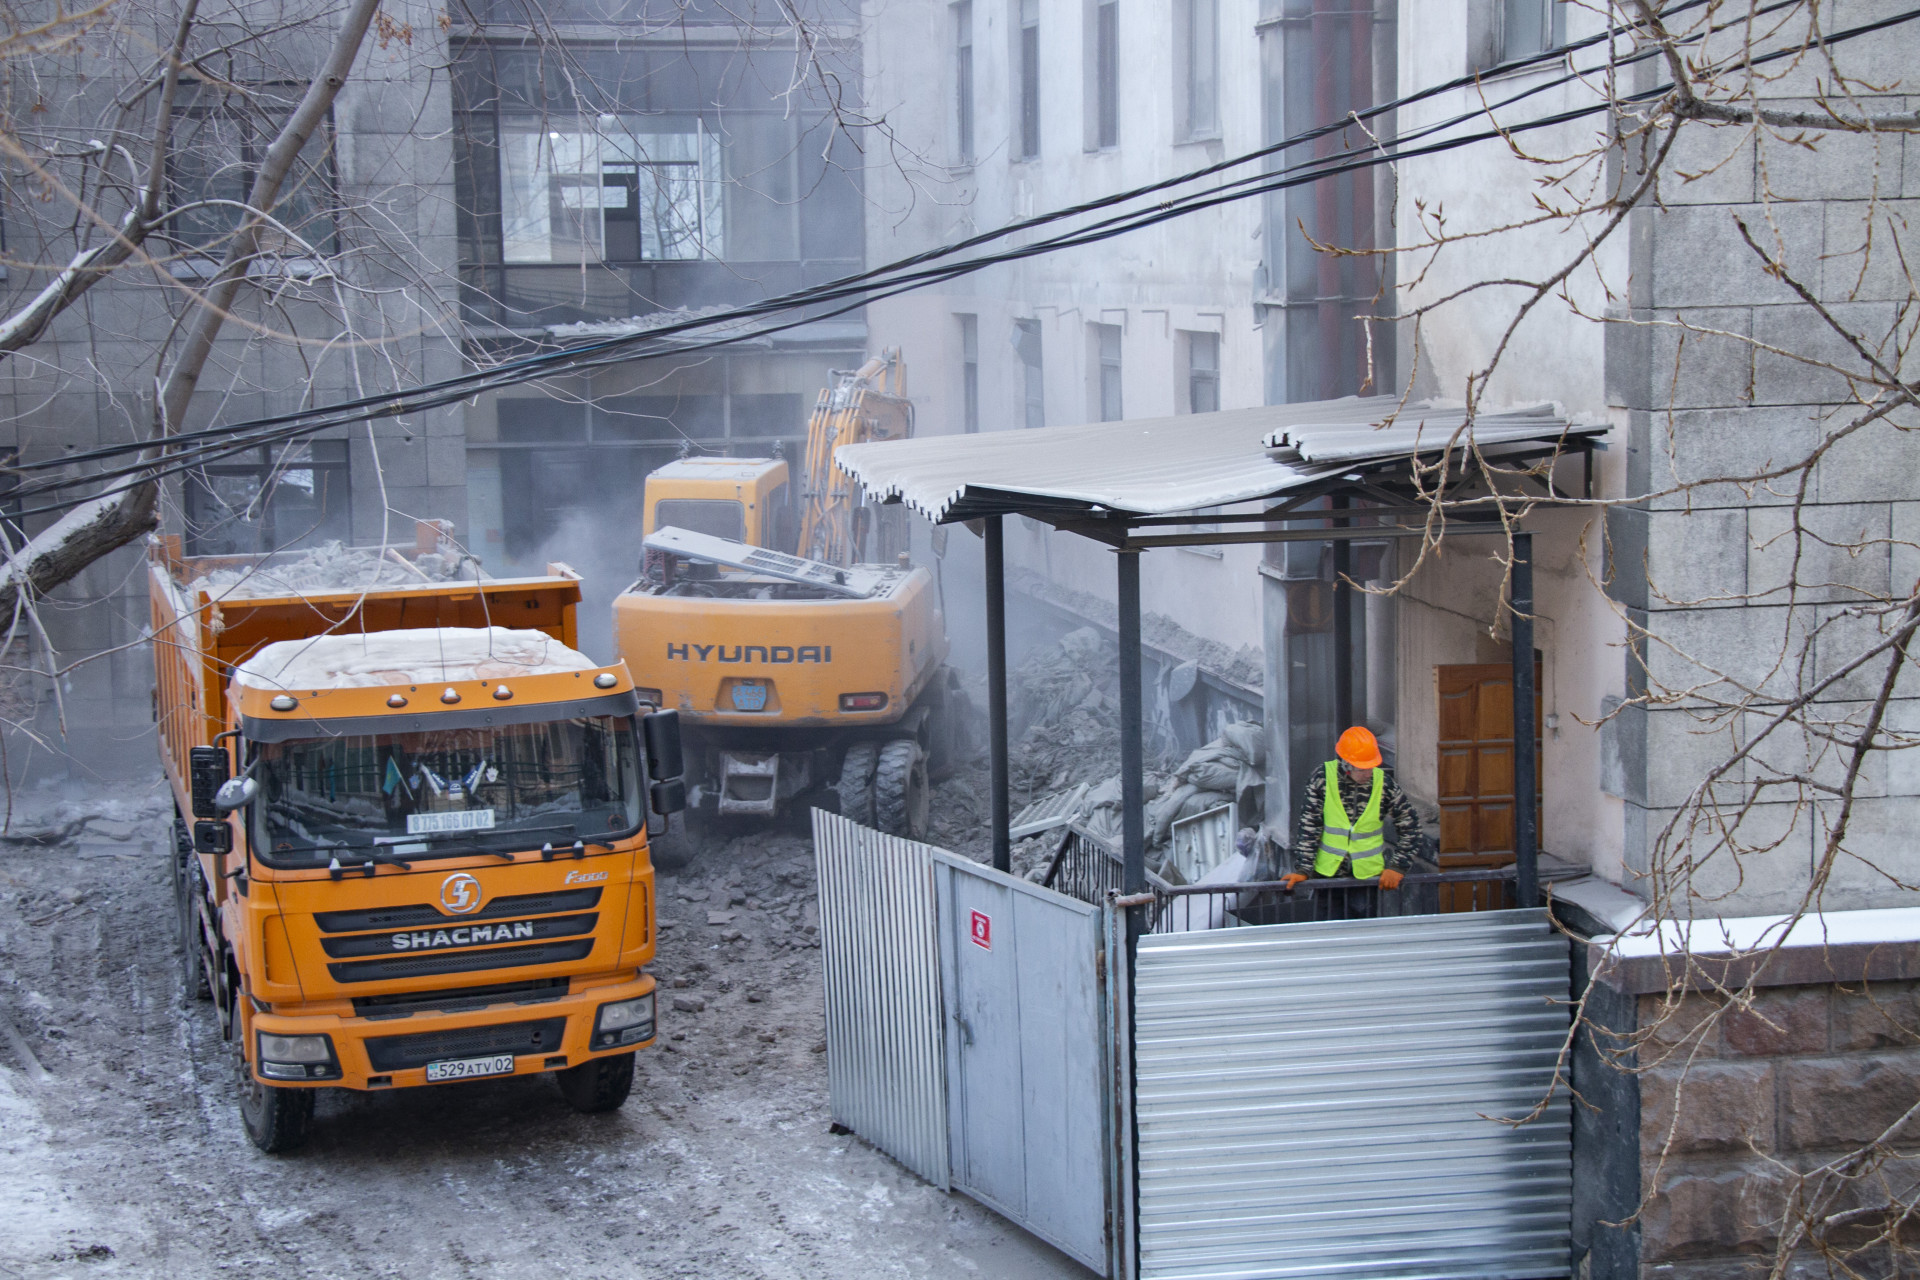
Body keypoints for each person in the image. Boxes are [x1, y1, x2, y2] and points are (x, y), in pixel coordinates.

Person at [1281, 725, 1421, 892]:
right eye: (1362, 768)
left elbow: (1411, 827)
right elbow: (1309, 826)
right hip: (1327, 877)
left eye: (1371, 766)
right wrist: (1304, 869)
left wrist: (1398, 867)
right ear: (1346, 763)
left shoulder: (1384, 784)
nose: (1368, 773)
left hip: (1368, 878)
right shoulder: (1322, 779)